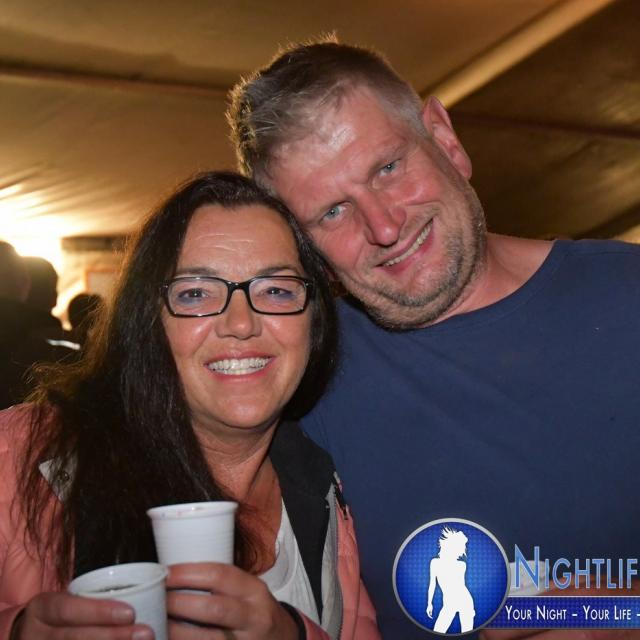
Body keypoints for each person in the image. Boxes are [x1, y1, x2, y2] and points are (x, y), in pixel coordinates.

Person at [228, 39, 640, 637]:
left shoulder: (626, 296)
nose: (385, 226)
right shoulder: (297, 378)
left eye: (388, 169)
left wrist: (606, 611)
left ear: (444, 139)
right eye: (333, 212)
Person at [0, 172, 380, 640]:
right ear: (148, 320)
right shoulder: (20, 455)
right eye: (196, 293)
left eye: (276, 290)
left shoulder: (329, 491)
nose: (241, 323)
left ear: (314, 321)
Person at [426, 528, 474, 634]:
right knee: (438, 631)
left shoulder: (462, 565)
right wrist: (429, 603)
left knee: (467, 633)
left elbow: (461, 586)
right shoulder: (435, 563)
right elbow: (432, 584)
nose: (462, 550)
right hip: (449, 603)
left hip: (465, 601)